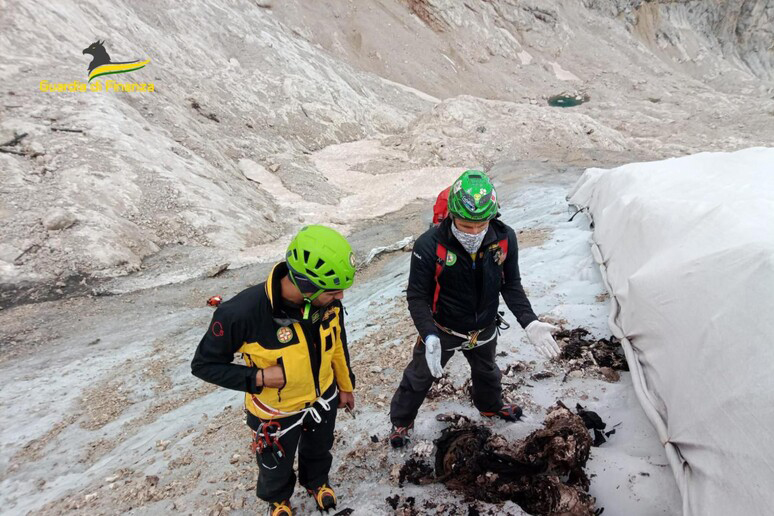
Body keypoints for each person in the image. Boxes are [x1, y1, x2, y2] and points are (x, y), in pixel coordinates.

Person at [191, 225, 357, 516]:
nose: (340, 297)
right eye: (333, 291)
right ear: (306, 285)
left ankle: (317, 482)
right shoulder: (241, 313)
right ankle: (278, 498)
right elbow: (204, 365)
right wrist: (257, 377)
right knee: (274, 464)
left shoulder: (327, 306)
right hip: (274, 412)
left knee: (319, 448)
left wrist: (345, 385)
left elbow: (337, 344)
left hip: (323, 398)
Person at [389, 170, 561, 448]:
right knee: (419, 376)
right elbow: (417, 295)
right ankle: (401, 422)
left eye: (481, 225)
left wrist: (529, 322)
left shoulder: (505, 239)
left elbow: (511, 284)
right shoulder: (429, 245)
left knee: (487, 372)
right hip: (442, 327)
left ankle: (490, 406)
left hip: (483, 325)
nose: (474, 232)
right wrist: (428, 334)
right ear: (451, 216)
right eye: (465, 225)